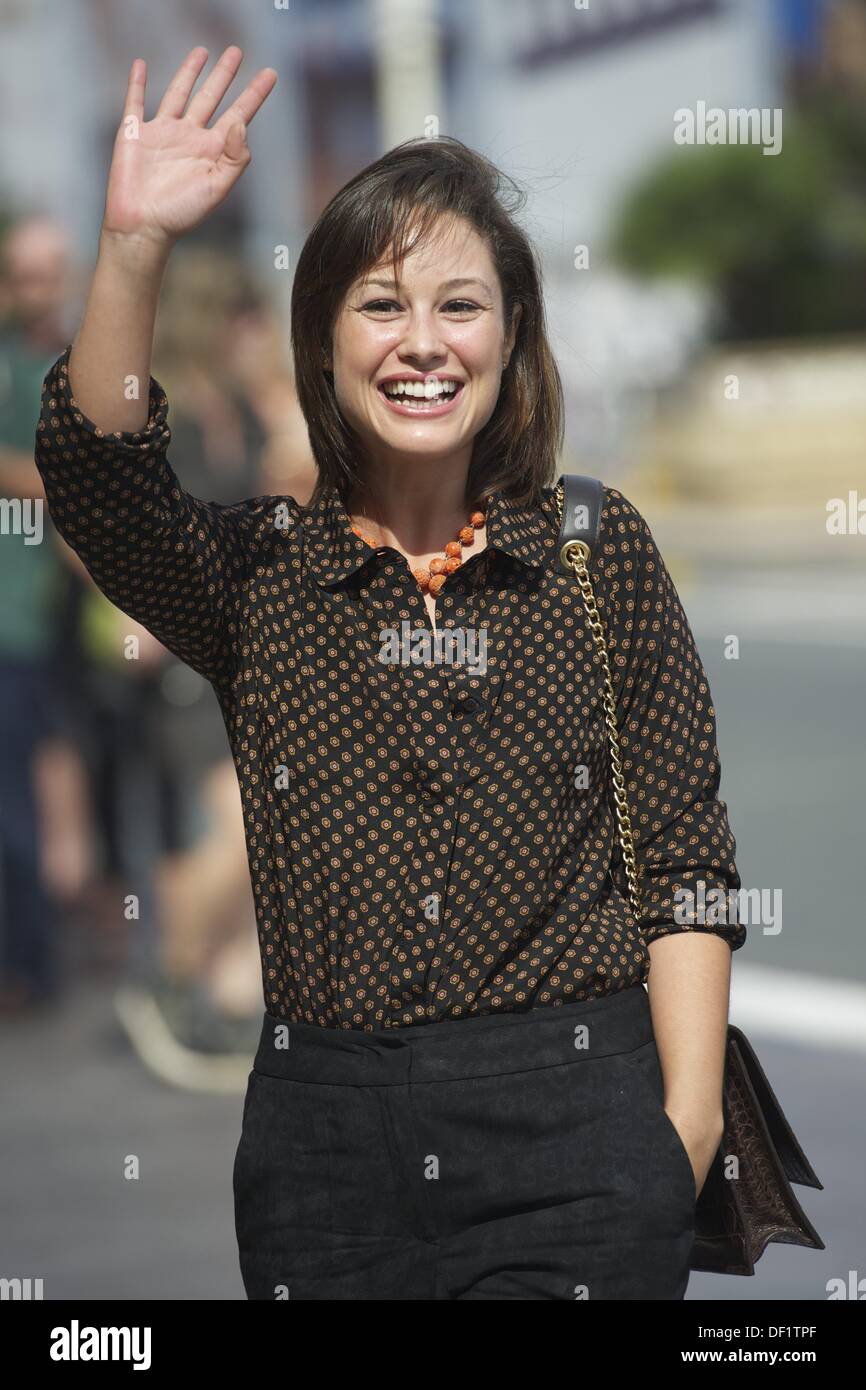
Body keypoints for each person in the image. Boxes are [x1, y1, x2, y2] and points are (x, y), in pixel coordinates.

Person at [34, 46, 746, 1301]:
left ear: (511, 334)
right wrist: (135, 243)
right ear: (322, 342)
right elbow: (100, 482)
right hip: (326, 1159)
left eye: (459, 306)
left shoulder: (595, 551)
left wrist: (676, 1136)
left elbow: (685, 857)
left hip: (579, 1136)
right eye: (379, 304)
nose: (423, 344)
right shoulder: (256, 574)